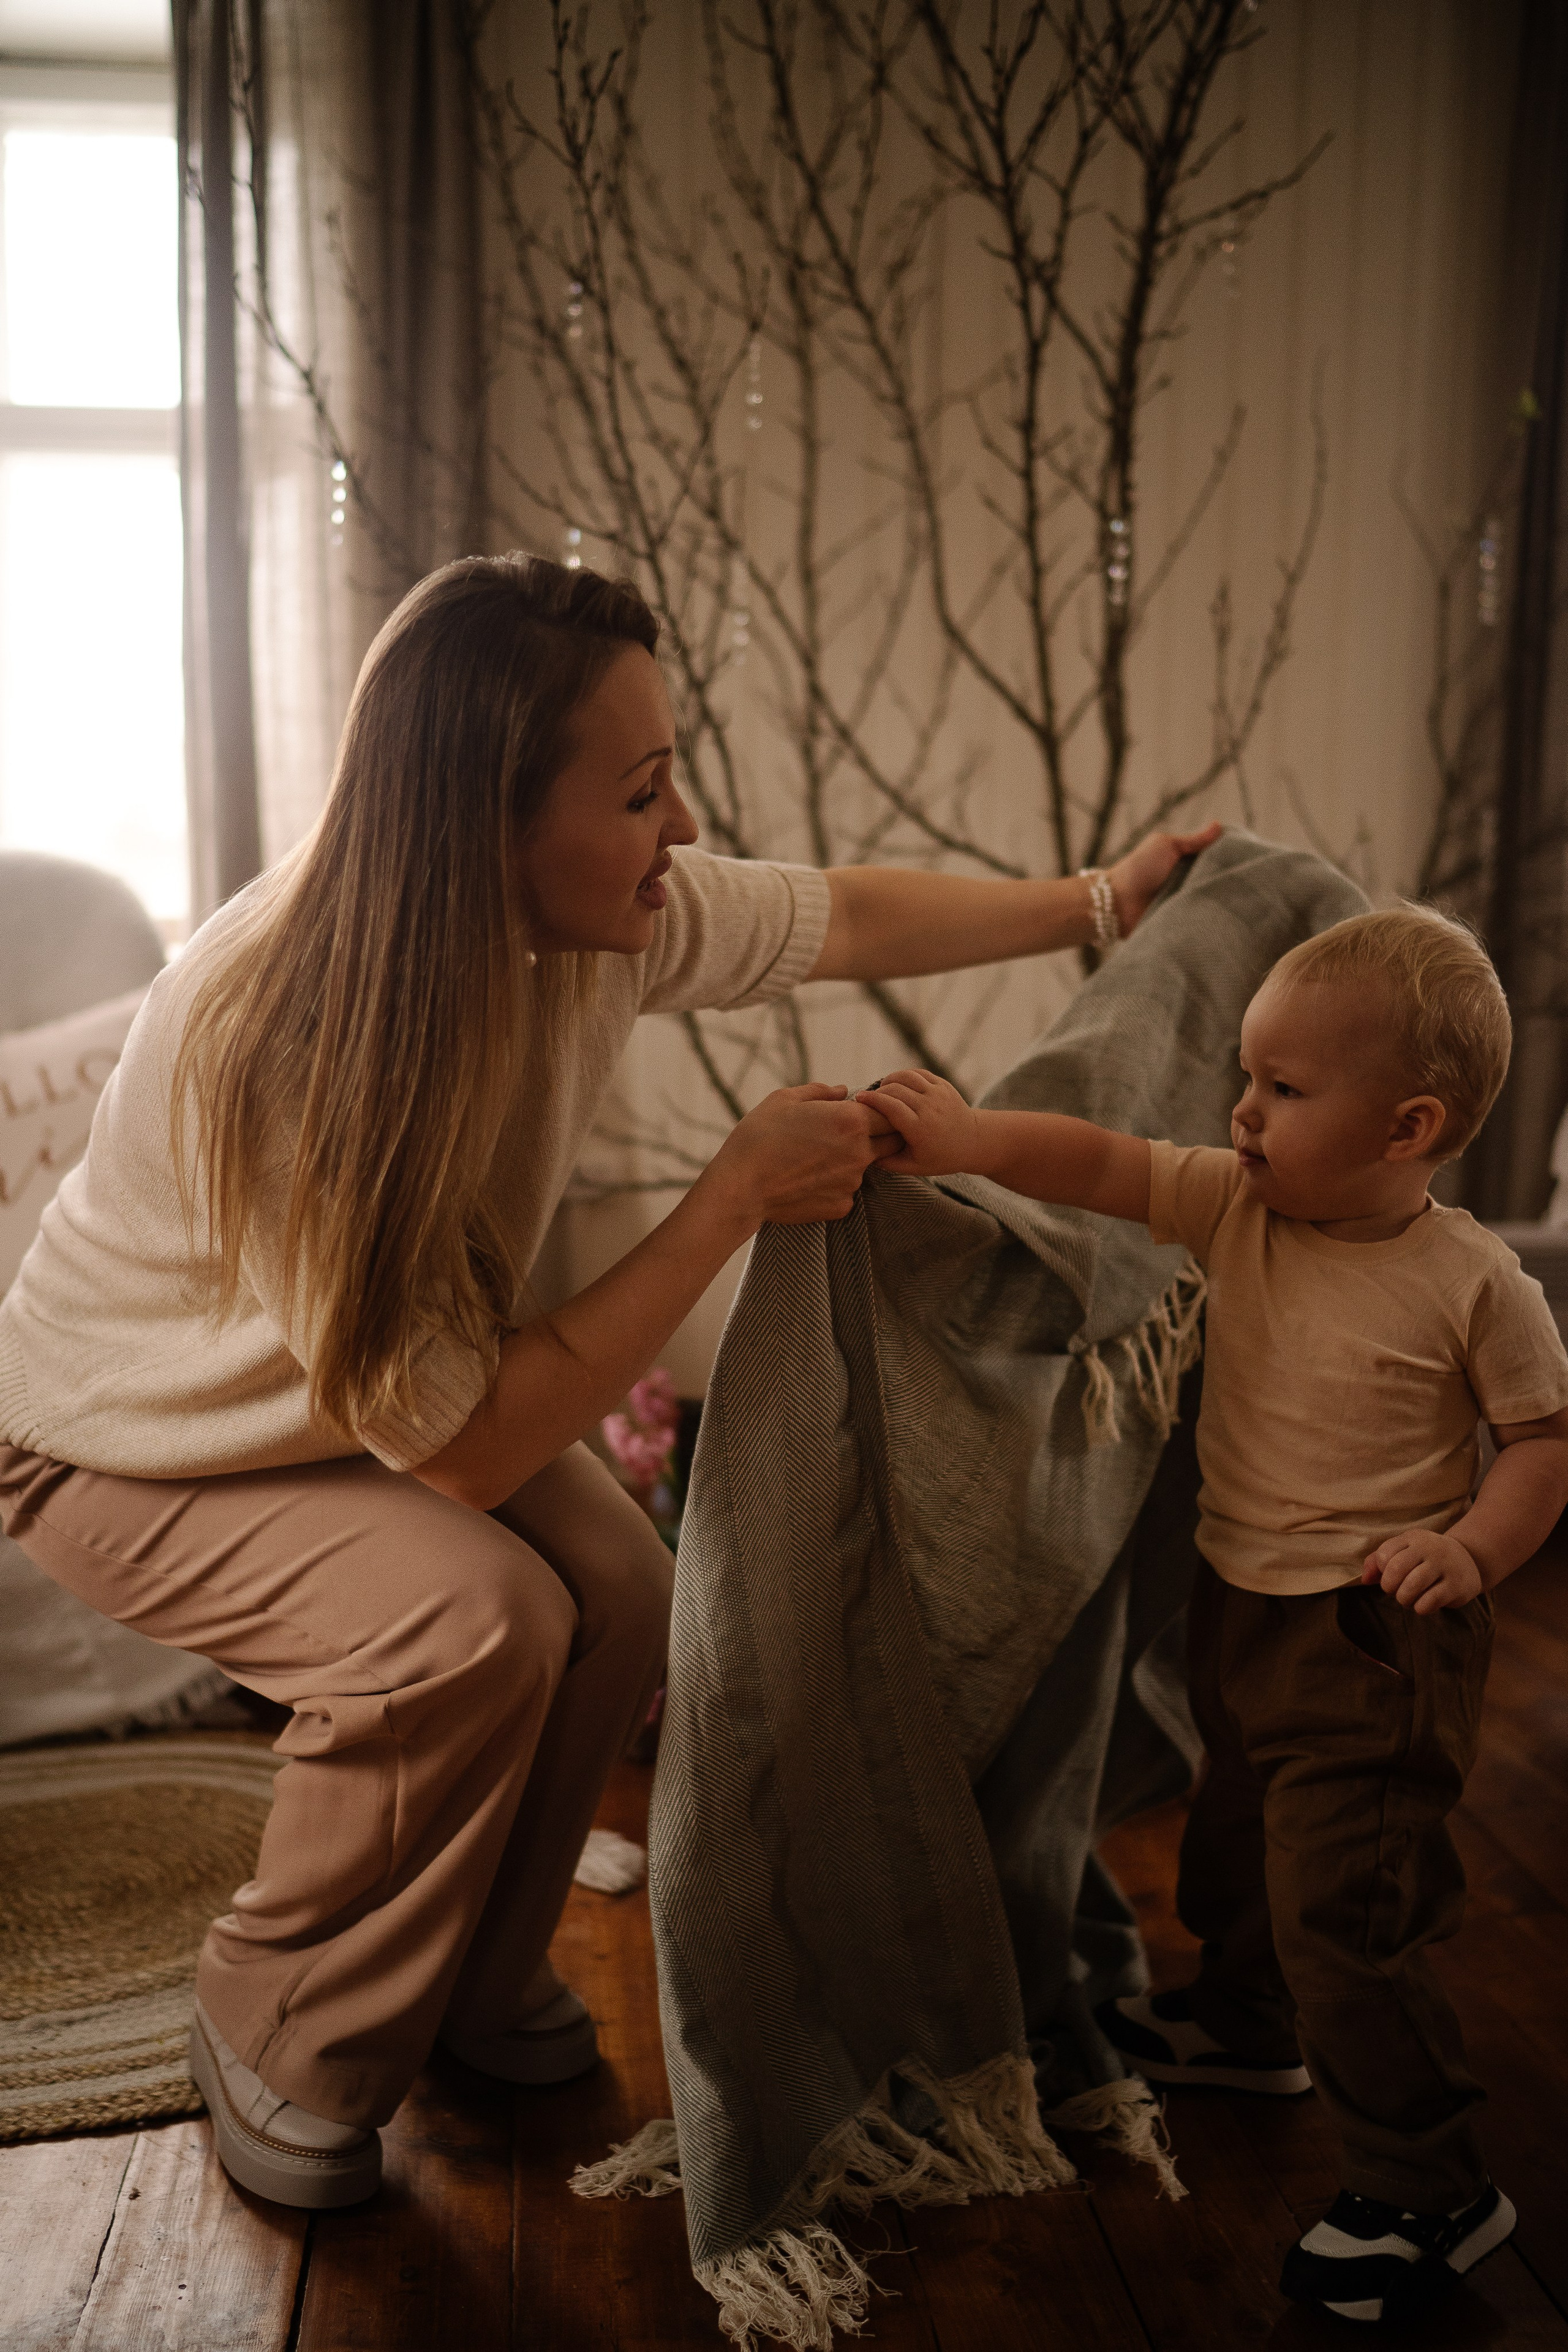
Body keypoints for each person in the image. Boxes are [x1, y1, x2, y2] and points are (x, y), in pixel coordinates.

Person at [0, 554, 1215, 2211]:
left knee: (624, 1587)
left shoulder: (587, 919)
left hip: (348, 1399)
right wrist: (729, 1199)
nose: (689, 828)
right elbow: (470, 1443)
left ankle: (484, 1978)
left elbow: (846, 911)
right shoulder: (290, 1038)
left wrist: (1098, 900)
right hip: (119, 1440)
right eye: (644, 792)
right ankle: (274, 2016)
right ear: (487, 817)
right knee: (470, 1618)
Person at [857, 905, 1568, 2326]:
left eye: (1283, 1092)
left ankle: (1430, 2189)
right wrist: (973, 1139)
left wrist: (1470, 1551)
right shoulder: (1235, 1202)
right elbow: (1106, 1163)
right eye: (1244, 1078)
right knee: (1232, 1819)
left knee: (1345, 1914)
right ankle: (1248, 2028)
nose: (1238, 1115)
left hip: (1376, 1637)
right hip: (1241, 1602)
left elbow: (1543, 1446)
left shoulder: (1471, 1281)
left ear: (1405, 1126)